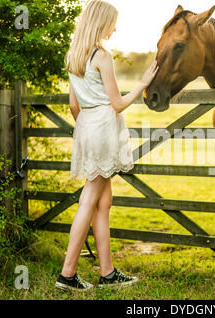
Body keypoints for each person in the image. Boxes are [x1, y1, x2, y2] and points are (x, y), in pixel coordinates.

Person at [55, 0, 158, 291]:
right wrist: (143, 83)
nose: (115, 27)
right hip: (102, 126)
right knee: (90, 198)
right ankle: (67, 274)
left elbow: (75, 104)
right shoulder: (101, 55)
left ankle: (108, 273)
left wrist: (87, 129)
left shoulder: (74, 54)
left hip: (86, 124)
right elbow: (118, 103)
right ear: (100, 22)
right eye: (113, 22)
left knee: (103, 201)